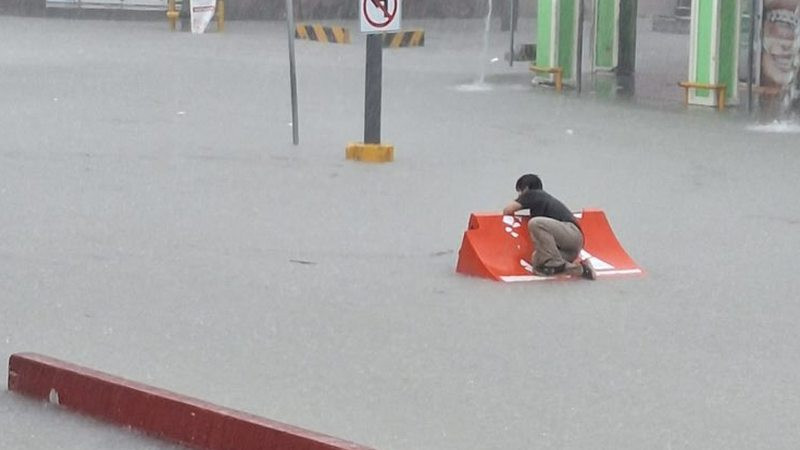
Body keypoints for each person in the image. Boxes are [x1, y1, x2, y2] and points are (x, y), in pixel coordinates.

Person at [503, 174, 595, 280]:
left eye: (519, 191)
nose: (519, 195)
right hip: (571, 247)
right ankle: (582, 270)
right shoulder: (542, 200)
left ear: (526, 188)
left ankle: (555, 262)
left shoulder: (534, 194)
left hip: (571, 233)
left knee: (535, 223)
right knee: (538, 264)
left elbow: (508, 210)